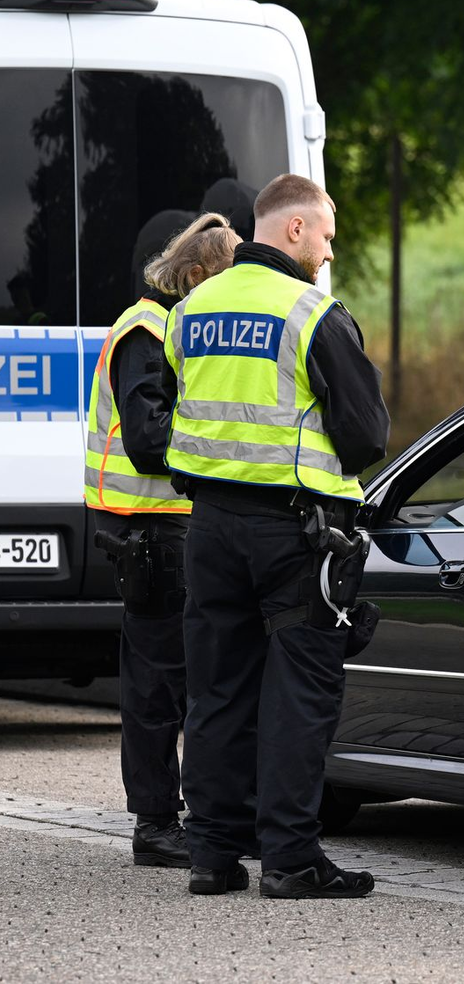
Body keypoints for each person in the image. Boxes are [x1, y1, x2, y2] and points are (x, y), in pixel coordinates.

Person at [161, 173, 390, 899]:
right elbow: (367, 433)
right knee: (299, 692)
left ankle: (211, 855)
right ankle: (290, 859)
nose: (329, 250)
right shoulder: (309, 313)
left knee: (217, 689)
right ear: (293, 229)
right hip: (293, 533)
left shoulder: (190, 308)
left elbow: (178, 402)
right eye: (324, 233)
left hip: (210, 528)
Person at [85, 212, 241, 868]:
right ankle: (155, 822)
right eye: (224, 285)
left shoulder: (166, 328)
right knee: (156, 681)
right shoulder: (146, 332)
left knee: (179, 673)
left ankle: (185, 816)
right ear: (196, 275)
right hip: (148, 524)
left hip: (163, 522)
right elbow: (151, 442)